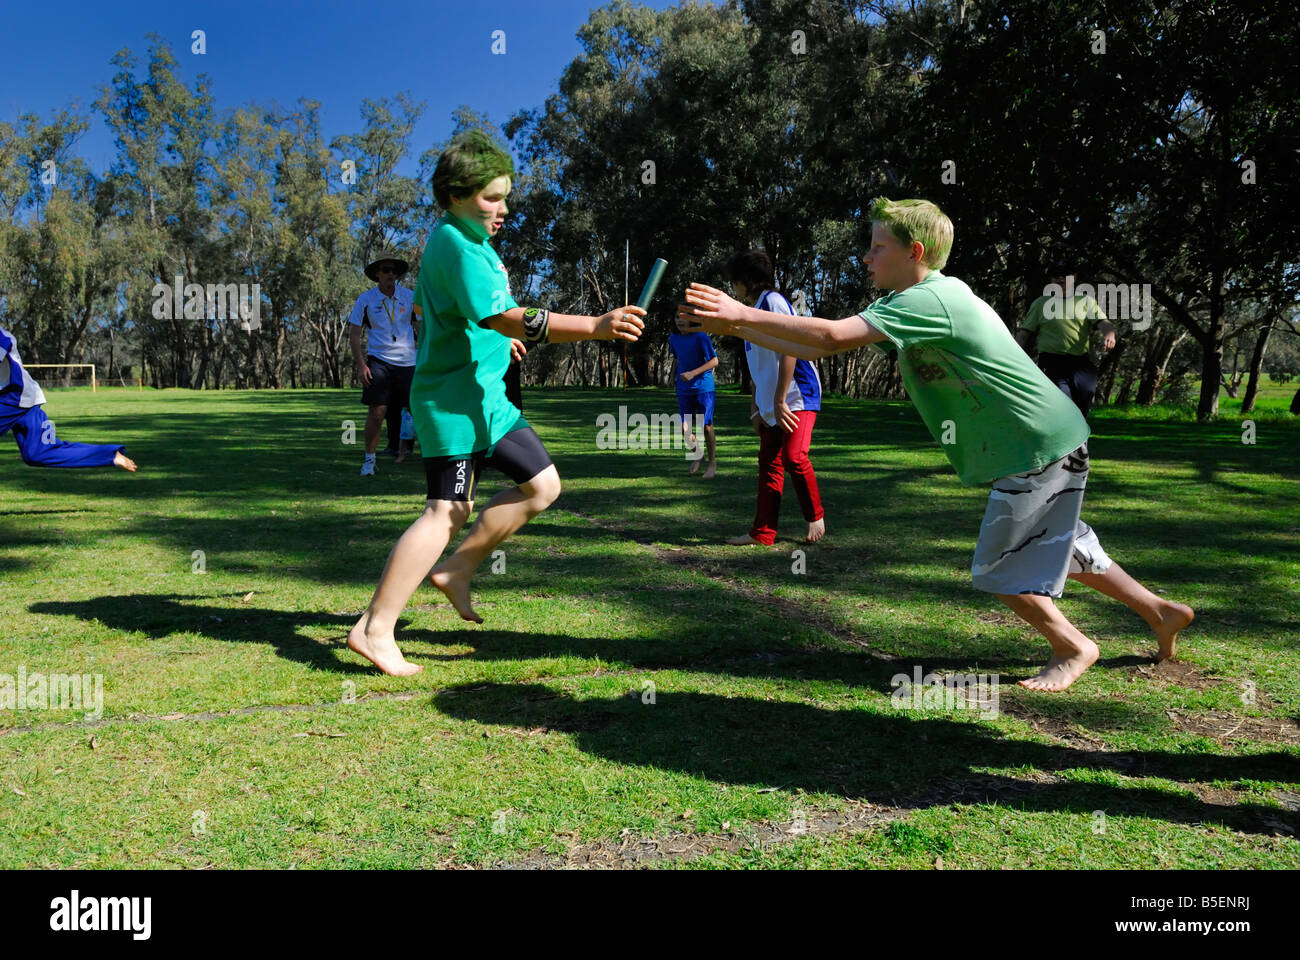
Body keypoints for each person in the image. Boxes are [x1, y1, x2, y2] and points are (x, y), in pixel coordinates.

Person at [681, 198, 1192, 692]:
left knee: (998, 569)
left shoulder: (930, 298)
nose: (866, 257)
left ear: (915, 253)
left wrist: (741, 315)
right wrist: (737, 322)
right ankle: (1159, 611)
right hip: (1044, 440)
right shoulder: (917, 300)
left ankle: (1072, 646)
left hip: (1037, 445)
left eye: (878, 247)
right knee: (1068, 545)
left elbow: (831, 338)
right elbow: (811, 344)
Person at [347, 131, 645, 676]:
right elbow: (504, 314)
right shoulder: (455, 246)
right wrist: (595, 327)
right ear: (455, 195)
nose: (503, 208)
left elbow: (463, 313)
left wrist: (492, 338)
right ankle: (374, 628)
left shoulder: (473, 243)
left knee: (543, 486)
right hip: (453, 405)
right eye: (491, 197)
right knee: (446, 511)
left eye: (505, 196)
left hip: (490, 400)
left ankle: (458, 570)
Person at [723, 250, 824, 545]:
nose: (733, 287)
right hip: (772, 400)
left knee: (794, 456)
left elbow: (789, 348)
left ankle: (815, 516)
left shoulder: (772, 302)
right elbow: (758, 366)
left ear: (747, 280)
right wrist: (757, 407)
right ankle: (763, 533)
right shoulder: (751, 311)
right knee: (769, 461)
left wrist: (780, 400)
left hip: (798, 393)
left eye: (735, 280)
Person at [0, 326, 136, 472]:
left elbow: (5, 342)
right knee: (40, 453)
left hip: (14, 398)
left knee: (41, 452)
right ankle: (110, 455)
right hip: (25, 398)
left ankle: (109, 455)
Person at [348, 251, 418, 476]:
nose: (390, 274)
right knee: (377, 413)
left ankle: (407, 452)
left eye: (394, 271)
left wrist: (425, 354)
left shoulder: (410, 296)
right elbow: (355, 334)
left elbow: (421, 328)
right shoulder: (365, 300)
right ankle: (369, 460)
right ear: (377, 274)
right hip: (379, 361)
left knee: (415, 410)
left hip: (409, 361)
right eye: (386, 270)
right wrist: (361, 366)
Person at [1016, 260, 1116, 416]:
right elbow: (1024, 334)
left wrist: (1109, 334)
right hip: (1052, 362)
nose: (1061, 279)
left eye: (1065, 275)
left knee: (1084, 399)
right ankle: (1068, 437)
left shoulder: (1085, 301)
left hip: (1080, 362)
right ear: (1051, 280)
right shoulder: (1041, 304)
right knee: (1063, 402)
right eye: (1056, 276)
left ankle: (1081, 437)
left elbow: (1103, 323)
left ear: (1074, 278)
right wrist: (1013, 354)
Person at [667, 326, 718, 477]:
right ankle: (698, 455)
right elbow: (677, 358)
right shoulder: (674, 337)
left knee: (706, 427)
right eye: (676, 317)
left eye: (683, 316)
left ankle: (712, 463)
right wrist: (672, 376)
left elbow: (714, 361)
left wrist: (693, 373)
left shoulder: (700, 336)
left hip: (703, 387)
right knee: (684, 429)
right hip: (684, 388)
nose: (679, 320)